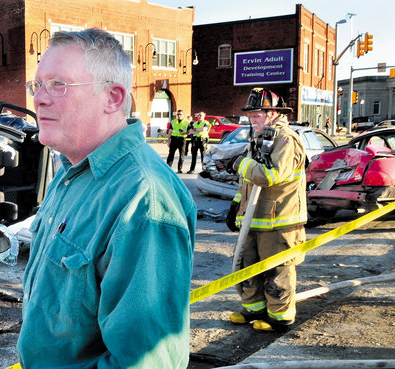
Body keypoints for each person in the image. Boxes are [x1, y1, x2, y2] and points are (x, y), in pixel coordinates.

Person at [18, 28, 195, 368]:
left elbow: (147, 362)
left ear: (113, 98)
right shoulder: (71, 173)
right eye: (37, 85)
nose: (39, 98)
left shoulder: (143, 201)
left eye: (58, 84)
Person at [227, 87, 307, 332]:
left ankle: (280, 317)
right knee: (247, 266)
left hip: (279, 221)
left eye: (257, 115)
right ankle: (254, 309)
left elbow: (269, 176)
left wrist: (239, 163)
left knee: (277, 271)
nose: (252, 120)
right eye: (250, 116)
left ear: (273, 113)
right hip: (255, 220)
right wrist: (236, 206)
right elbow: (249, 182)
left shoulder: (285, 139)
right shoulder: (260, 138)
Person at [166, 109, 189, 173]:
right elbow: (170, 131)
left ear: (183, 115)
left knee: (181, 155)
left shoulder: (187, 122)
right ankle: (168, 167)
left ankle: (179, 169)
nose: (179, 115)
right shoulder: (173, 121)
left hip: (182, 140)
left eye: (180, 114)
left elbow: (189, 131)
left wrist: (185, 132)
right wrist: (168, 141)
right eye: (178, 114)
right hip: (174, 139)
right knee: (171, 154)